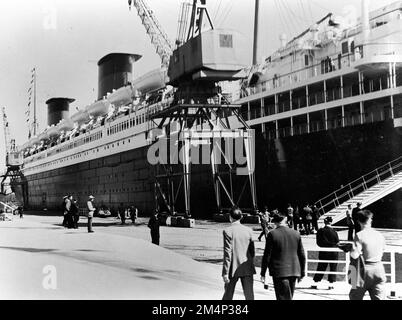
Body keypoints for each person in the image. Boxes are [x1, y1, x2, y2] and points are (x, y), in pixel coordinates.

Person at [260, 212, 306, 300]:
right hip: (294, 270)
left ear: (275, 222)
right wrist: (302, 272)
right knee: (289, 296)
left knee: (282, 297)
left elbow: (267, 255)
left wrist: (263, 272)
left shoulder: (272, 234)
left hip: (279, 271)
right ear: (286, 221)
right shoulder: (296, 233)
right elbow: (302, 255)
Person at [349, 210, 386, 300]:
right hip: (379, 269)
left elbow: (354, 255)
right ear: (370, 220)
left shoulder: (359, 235)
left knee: (354, 297)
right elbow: (383, 250)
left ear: (358, 221)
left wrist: (350, 249)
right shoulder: (379, 235)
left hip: (362, 271)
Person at [222, 206, 255, 300]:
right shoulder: (249, 230)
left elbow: (227, 253)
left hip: (233, 267)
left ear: (230, 217)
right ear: (241, 217)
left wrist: (225, 272)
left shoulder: (227, 231)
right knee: (249, 296)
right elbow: (252, 251)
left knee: (228, 295)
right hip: (247, 267)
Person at [312, 217, 339, 289]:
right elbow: (337, 242)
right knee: (333, 267)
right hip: (333, 251)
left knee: (321, 267)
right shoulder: (334, 232)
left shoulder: (321, 231)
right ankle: (331, 284)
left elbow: (318, 243)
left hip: (324, 251)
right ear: (331, 222)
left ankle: (316, 282)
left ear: (324, 222)